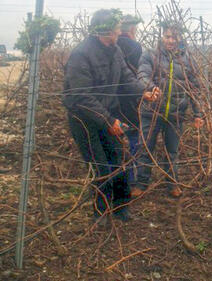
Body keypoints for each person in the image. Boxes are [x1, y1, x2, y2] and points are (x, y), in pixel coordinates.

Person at [63, 9, 151, 222]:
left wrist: (143, 91)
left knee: (119, 160)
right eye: (117, 29)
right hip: (84, 120)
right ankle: (100, 213)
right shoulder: (81, 55)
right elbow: (82, 97)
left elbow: (126, 78)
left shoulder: (115, 50)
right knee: (100, 165)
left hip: (107, 115)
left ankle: (122, 209)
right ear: (106, 32)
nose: (121, 32)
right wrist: (108, 121)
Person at [134, 22, 204, 198]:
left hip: (176, 114)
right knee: (145, 148)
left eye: (174, 37)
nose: (170, 40)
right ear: (161, 37)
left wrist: (198, 113)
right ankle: (141, 183)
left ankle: (172, 183)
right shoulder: (150, 55)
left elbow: (195, 87)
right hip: (152, 111)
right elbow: (142, 74)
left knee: (172, 150)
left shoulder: (188, 59)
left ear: (181, 37)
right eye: (167, 36)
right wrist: (150, 88)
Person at [117, 14, 143, 197]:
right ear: (132, 30)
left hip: (110, 102)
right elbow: (137, 74)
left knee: (117, 139)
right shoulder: (135, 47)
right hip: (130, 100)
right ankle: (132, 180)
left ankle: (119, 178)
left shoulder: (110, 45)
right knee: (134, 137)